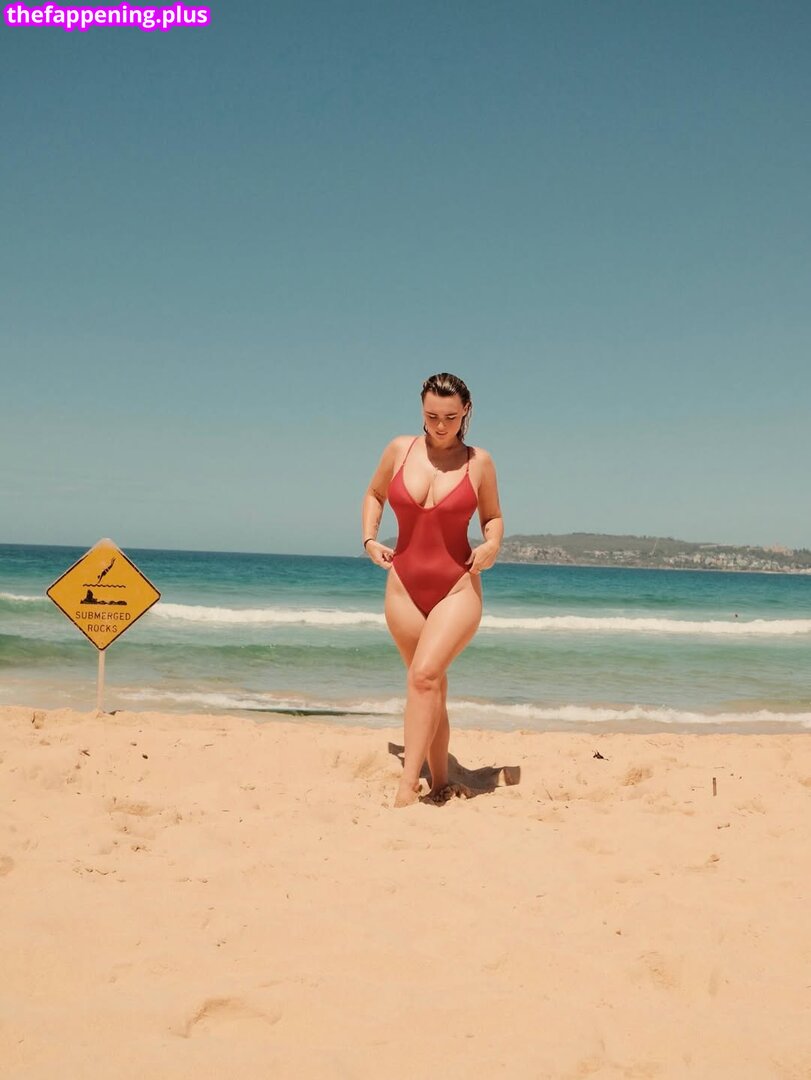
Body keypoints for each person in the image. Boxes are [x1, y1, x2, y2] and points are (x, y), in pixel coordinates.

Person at [362, 373, 503, 807]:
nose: (440, 426)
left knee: (423, 677)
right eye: (431, 416)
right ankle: (440, 778)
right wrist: (369, 539)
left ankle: (408, 787)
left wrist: (492, 545)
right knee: (428, 684)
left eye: (450, 417)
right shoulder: (399, 450)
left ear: (466, 413)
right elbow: (374, 493)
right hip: (403, 586)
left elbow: (493, 518)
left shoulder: (479, 462)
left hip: (457, 585)